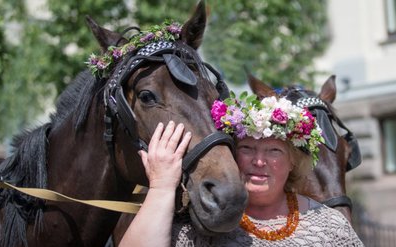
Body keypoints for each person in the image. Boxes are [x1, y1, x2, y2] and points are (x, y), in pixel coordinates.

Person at [119, 93, 364, 247]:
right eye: (247, 148)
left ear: (292, 162)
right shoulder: (195, 228)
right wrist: (161, 185)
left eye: (274, 151)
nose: (259, 161)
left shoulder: (330, 226)